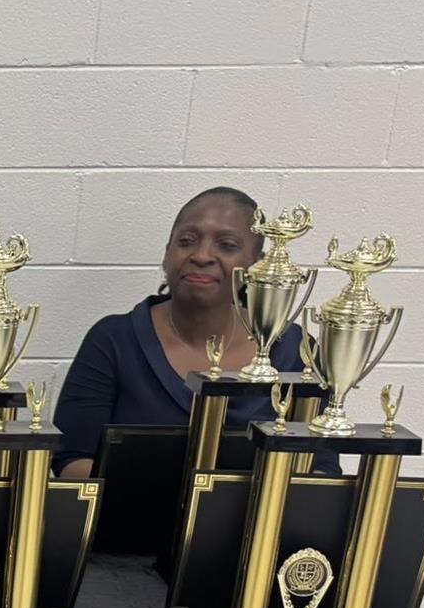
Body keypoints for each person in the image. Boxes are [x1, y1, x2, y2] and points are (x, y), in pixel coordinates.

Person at [52, 187, 310, 479]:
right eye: (186, 241)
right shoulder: (113, 340)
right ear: (166, 253)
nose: (201, 256)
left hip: (259, 523)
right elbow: (72, 459)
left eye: (226, 245)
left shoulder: (295, 351)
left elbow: (319, 469)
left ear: (257, 263)